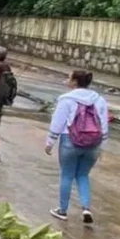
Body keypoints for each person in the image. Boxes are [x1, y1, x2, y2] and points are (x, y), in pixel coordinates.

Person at [46, 70, 108, 224]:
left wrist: (50, 141)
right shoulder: (99, 100)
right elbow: (104, 124)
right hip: (93, 143)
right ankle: (86, 208)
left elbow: (58, 122)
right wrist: (102, 146)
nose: (67, 80)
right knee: (83, 175)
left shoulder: (66, 100)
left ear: (74, 82)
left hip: (70, 140)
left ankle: (62, 210)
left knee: (67, 175)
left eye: (69, 77)